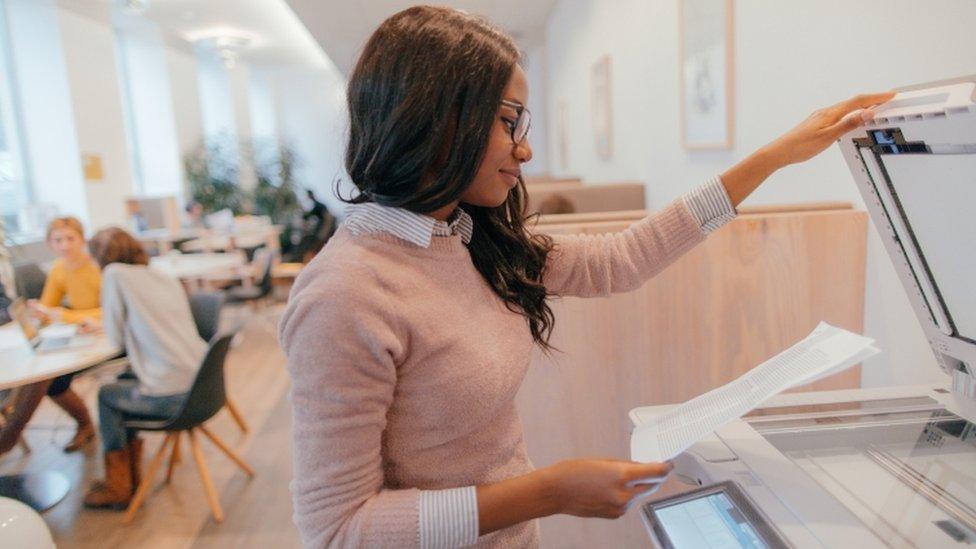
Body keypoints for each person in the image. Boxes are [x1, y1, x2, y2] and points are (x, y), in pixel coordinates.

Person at [278, 6, 894, 547]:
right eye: (508, 120)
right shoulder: (346, 295)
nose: (525, 149)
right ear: (436, 118)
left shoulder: (465, 238)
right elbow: (340, 530)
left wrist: (776, 156)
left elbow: (623, 259)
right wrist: (547, 491)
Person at [81, 228, 207, 509]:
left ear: (101, 257)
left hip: (170, 397)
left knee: (106, 395)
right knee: (125, 379)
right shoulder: (161, 274)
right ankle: (133, 478)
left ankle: (119, 486)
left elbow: (114, 338)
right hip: (200, 387)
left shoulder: (114, 274)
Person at [27, 216, 101, 452]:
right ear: (50, 244)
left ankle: (86, 425)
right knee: (51, 380)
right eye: (58, 240)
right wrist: (41, 313)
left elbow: (110, 311)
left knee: (54, 379)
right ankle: (85, 424)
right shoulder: (59, 269)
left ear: (82, 239)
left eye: (71, 238)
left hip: (104, 337)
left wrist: (66, 316)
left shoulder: (98, 265)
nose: (65, 245)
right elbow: (50, 309)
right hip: (81, 335)